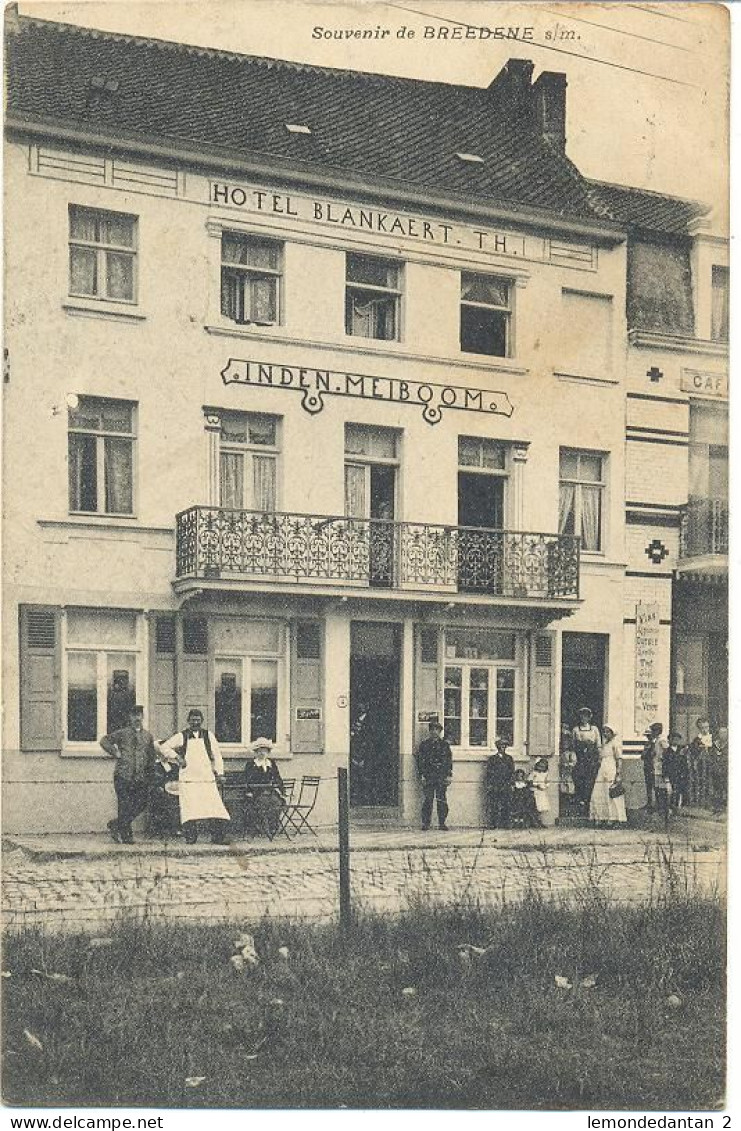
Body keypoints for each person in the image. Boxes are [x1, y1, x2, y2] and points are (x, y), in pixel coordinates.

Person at [160, 709, 230, 845]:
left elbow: (217, 755)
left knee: (214, 807)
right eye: (193, 720)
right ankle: (191, 837)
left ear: (202, 721)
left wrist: (220, 773)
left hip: (206, 778)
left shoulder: (209, 736)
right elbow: (164, 747)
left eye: (198, 720)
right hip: (188, 779)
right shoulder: (182, 736)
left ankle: (217, 837)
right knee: (189, 809)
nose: (195, 722)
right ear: (188, 721)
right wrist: (177, 757)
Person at [100, 705, 162, 844]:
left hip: (140, 777)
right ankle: (126, 836)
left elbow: (151, 757)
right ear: (129, 717)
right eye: (134, 715)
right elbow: (104, 741)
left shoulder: (147, 736)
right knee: (124, 804)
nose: (137, 718)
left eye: (139, 715)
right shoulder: (122, 733)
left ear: (143, 717)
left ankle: (116, 824)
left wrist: (151, 774)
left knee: (142, 803)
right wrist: (115, 752)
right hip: (123, 775)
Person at [243, 737, 285, 837]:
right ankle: (262, 828)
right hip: (257, 792)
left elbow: (278, 778)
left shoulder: (271, 763)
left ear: (268, 752)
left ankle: (273, 827)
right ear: (256, 752)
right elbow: (247, 780)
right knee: (263, 804)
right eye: (260, 751)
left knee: (277, 804)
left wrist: (282, 790)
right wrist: (248, 791)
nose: (262, 753)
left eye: (265, 751)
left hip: (270, 792)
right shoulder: (251, 764)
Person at [415, 720, 453, 831]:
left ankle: (442, 823)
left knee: (442, 800)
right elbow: (420, 761)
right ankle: (426, 823)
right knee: (428, 800)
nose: (434, 732)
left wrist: (448, 775)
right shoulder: (424, 745)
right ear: (430, 731)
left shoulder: (445, 745)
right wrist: (422, 775)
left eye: (437, 730)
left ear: (440, 732)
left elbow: (448, 761)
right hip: (429, 776)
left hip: (441, 776)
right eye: (432, 730)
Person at [589, 725, 627, 826]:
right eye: (604, 732)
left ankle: (614, 818)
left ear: (612, 733)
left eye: (607, 732)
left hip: (611, 769)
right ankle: (601, 817)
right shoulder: (605, 744)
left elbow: (619, 759)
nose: (605, 734)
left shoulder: (616, 743)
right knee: (599, 792)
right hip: (602, 769)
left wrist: (618, 773)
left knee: (611, 793)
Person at [571, 708, 602, 810]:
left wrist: (599, 757)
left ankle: (588, 799)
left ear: (589, 717)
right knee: (580, 777)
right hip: (580, 757)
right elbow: (573, 744)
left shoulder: (594, 729)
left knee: (590, 777)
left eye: (586, 716)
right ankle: (580, 799)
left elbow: (598, 744)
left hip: (591, 756)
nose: (584, 718)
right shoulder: (576, 729)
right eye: (582, 716)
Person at [485, 737, 515, 828]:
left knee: (506, 804)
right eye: (501, 746)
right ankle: (493, 823)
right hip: (495, 784)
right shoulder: (492, 759)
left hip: (506, 784)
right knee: (494, 804)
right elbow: (489, 772)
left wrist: (511, 783)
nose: (503, 747)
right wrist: (489, 785)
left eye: (504, 746)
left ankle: (505, 823)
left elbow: (512, 771)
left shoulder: (509, 758)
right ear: (497, 747)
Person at [641, 722, 668, 812]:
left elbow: (666, 751)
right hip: (653, 765)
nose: (651, 734)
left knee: (659, 787)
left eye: (653, 731)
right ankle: (656, 805)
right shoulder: (655, 741)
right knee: (654, 786)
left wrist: (661, 757)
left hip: (658, 766)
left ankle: (660, 805)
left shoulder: (661, 740)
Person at [662, 731, 690, 812]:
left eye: (677, 739)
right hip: (672, 775)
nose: (675, 741)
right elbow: (665, 765)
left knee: (680, 791)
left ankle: (679, 806)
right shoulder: (666, 752)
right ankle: (671, 807)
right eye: (673, 739)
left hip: (681, 775)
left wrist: (685, 773)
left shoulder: (682, 751)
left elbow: (685, 763)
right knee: (671, 792)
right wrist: (666, 777)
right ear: (669, 740)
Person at [528, 757, 553, 827]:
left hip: (541, 792)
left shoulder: (545, 774)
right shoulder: (534, 773)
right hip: (535, 791)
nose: (541, 768)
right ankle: (535, 821)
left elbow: (548, 782)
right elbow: (529, 781)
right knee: (535, 807)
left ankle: (539, 821)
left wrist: (544, 786)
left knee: (541, 808)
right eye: (539, 766)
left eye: (543, 767)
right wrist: (535, 785)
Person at [709, 726, 728, 815]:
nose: (723, 735)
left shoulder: (729, 744)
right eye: (721, 733)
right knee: (716, 789)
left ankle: (724, 808)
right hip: (716, 770)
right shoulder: (715, 744)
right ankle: (717, 808)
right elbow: (712, 756)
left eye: (724, 733)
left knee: (725, 789)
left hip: (726, 771)